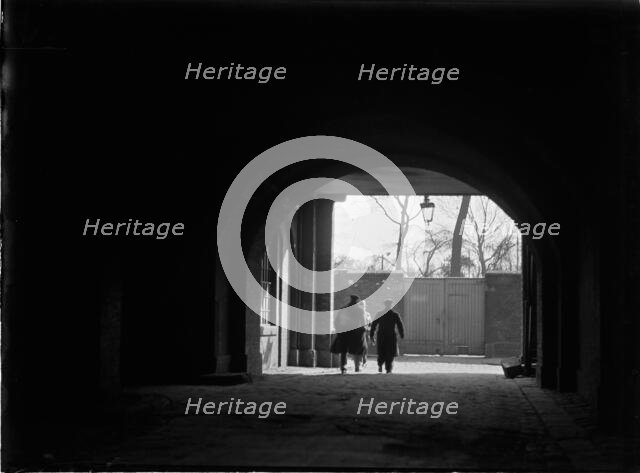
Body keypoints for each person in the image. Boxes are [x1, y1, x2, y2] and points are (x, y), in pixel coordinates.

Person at [330, 295, 368, 374]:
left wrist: (338, 329)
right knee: (358, 349)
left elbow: (336, 321)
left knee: (343, 350)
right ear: (357, 301)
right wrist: (363, 329)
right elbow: (363, 322)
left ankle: (343, 367)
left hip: (344, 332)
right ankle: (357, 367)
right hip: (355, 332)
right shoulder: (360, 310)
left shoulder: (343, 309)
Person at [370, 299, 405, 373]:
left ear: (384, 305)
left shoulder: (379, 313)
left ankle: (380, 364)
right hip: (391, 336)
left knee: (381, 351)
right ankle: (388, 369)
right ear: (391, 305)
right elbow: (400, 326)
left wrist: (372, 335)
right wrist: (402, 334)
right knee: (390, 352)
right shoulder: (395, 315)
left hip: (381, 335)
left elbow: (374, 325)